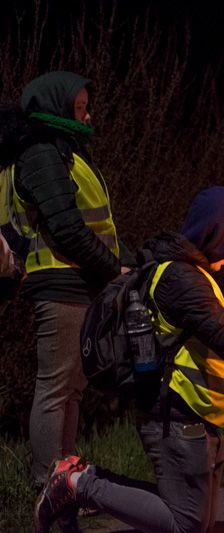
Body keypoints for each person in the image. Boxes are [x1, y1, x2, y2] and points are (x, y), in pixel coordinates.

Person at [33, 187, 224, 533]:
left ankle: (82, 480)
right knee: (186, 523)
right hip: (175, 417)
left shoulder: (189, 275)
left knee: (196, 520)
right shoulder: (180, 279)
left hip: (193, 418)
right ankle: (78, 484)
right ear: (215, 232)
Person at [3, 72, 127, 492]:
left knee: (70, 388)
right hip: (61, 283)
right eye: (80, 108)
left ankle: (65, 479)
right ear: (57, 107)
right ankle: (47, 482)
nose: (89, 115)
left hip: (76, 282)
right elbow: (66, 228)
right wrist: (114, 270)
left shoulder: (63, 150)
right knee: (57, 387)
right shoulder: (41, 152)